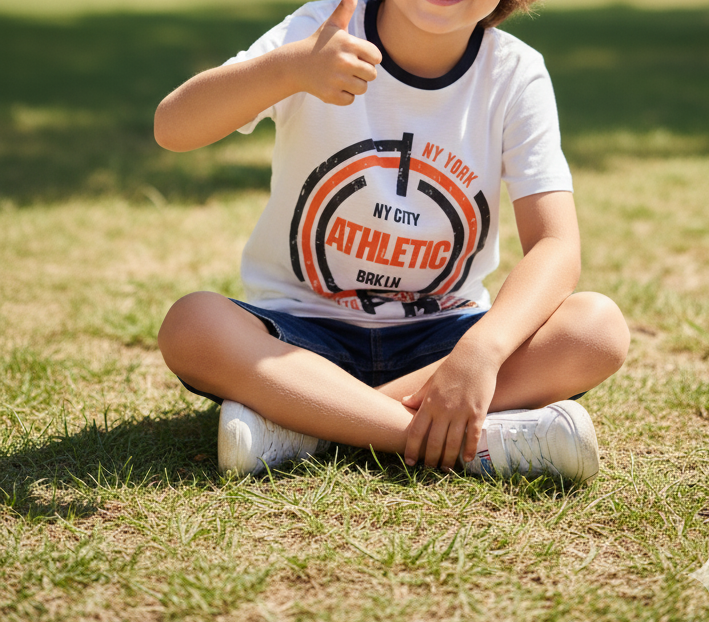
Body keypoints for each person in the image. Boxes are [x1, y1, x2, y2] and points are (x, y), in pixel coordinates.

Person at [154, 0, 630, 484]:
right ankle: (456, 440)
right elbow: (173, 127)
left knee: (596, 328)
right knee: (193, 324)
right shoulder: (322, 30)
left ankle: (308, 427)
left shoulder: (514, 72)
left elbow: (555, 244)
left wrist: (481, 352)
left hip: (445, 342)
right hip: (301, 338)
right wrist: (290, 68)